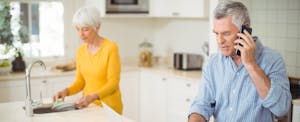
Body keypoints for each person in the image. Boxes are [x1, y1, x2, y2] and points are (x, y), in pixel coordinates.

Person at [188, 1, 291, 121]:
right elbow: (201, 105)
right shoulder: (213, 63)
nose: (220, 40)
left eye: (226, 33)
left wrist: (251, 64)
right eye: (216, 34)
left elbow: (281, 108)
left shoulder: (272, 60)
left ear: (245, 29)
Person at [53, 6, 123, 114]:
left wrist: (93, 97)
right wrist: (66, 92)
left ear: (97, 27)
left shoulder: (111, 48)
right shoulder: (80, 51)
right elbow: (80, 82)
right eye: (78, 29)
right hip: (89, 107)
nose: (81, 34)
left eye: (85, 29)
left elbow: (113, 83)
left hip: (109, 108)